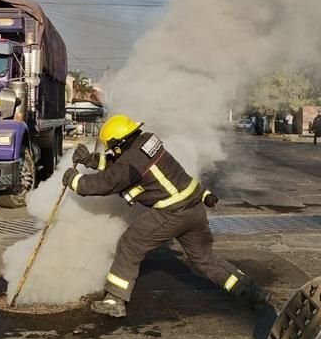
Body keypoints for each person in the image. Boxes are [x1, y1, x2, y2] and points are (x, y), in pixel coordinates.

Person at [62, 114, 272, 318]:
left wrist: (74, 180)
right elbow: (123, 166)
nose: (112, 152)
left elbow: (106, 182)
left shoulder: (130, 163)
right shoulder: (146, 142)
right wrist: (91, 160)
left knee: (131, 243)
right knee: (205, 260)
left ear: (118, 143)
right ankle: (251, 292)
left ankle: (114, 300)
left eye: (112, 148)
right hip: (195, 208)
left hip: (172, 213)